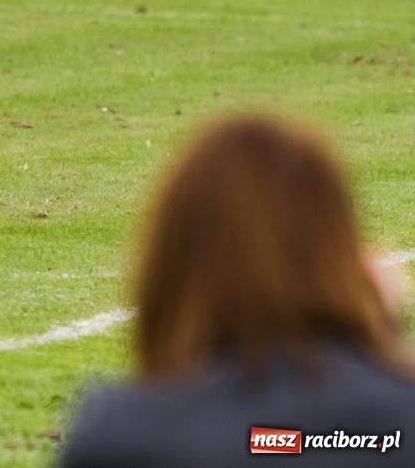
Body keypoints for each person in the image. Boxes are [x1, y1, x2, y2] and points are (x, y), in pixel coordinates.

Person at [57, 114, 414, 467]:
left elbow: (275, 440)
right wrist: (380, 337)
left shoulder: (124, 432)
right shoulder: (397, 419)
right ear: (340, 254)